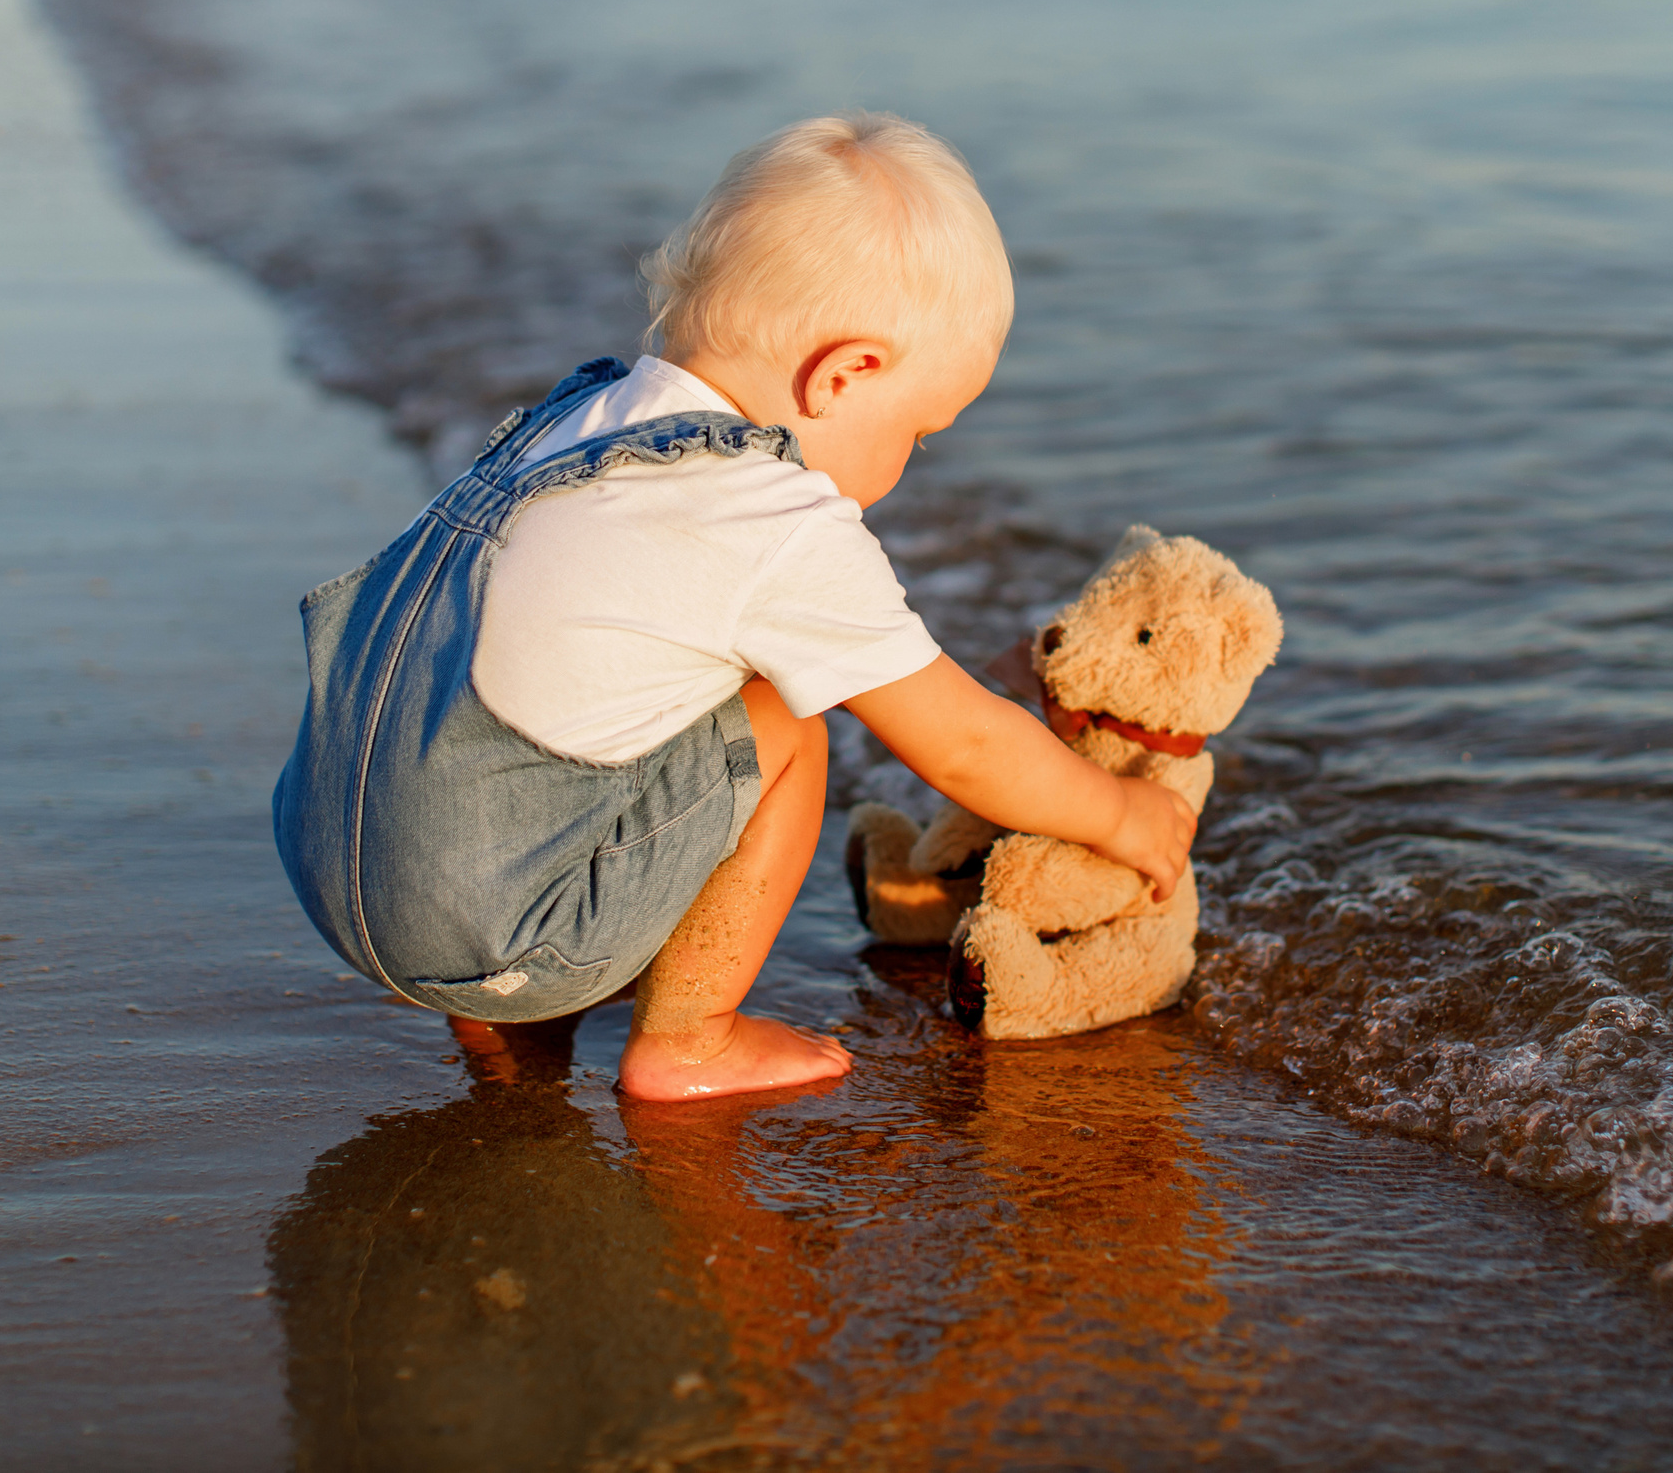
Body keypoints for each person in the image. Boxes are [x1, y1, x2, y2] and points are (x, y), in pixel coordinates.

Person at [273, 113, 1196, 1101]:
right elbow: (963, 745)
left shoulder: (578, 424)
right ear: (845, 375)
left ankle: (494, 1010)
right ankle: (688, 1041)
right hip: (483, 925)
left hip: (334, 869)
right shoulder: (771, 516)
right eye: (919, 431)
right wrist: (1123, 814)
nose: (910, 460)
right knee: (786, 716)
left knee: (578, 707)